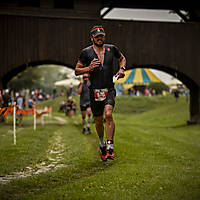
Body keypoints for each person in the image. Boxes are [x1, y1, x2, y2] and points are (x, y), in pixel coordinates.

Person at [75, 25, 126, 161]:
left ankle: (110, 146)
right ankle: (102, 143)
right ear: (92, 38)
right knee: (98, 120)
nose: (99, 38)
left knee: (108, 114)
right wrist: (89, 67)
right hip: (95, 91)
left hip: (109, 88)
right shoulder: (86, 52)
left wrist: (122, 69)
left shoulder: (112, 49)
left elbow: (122, 58)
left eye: (101, 36)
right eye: (97, 37)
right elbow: (76, 70)